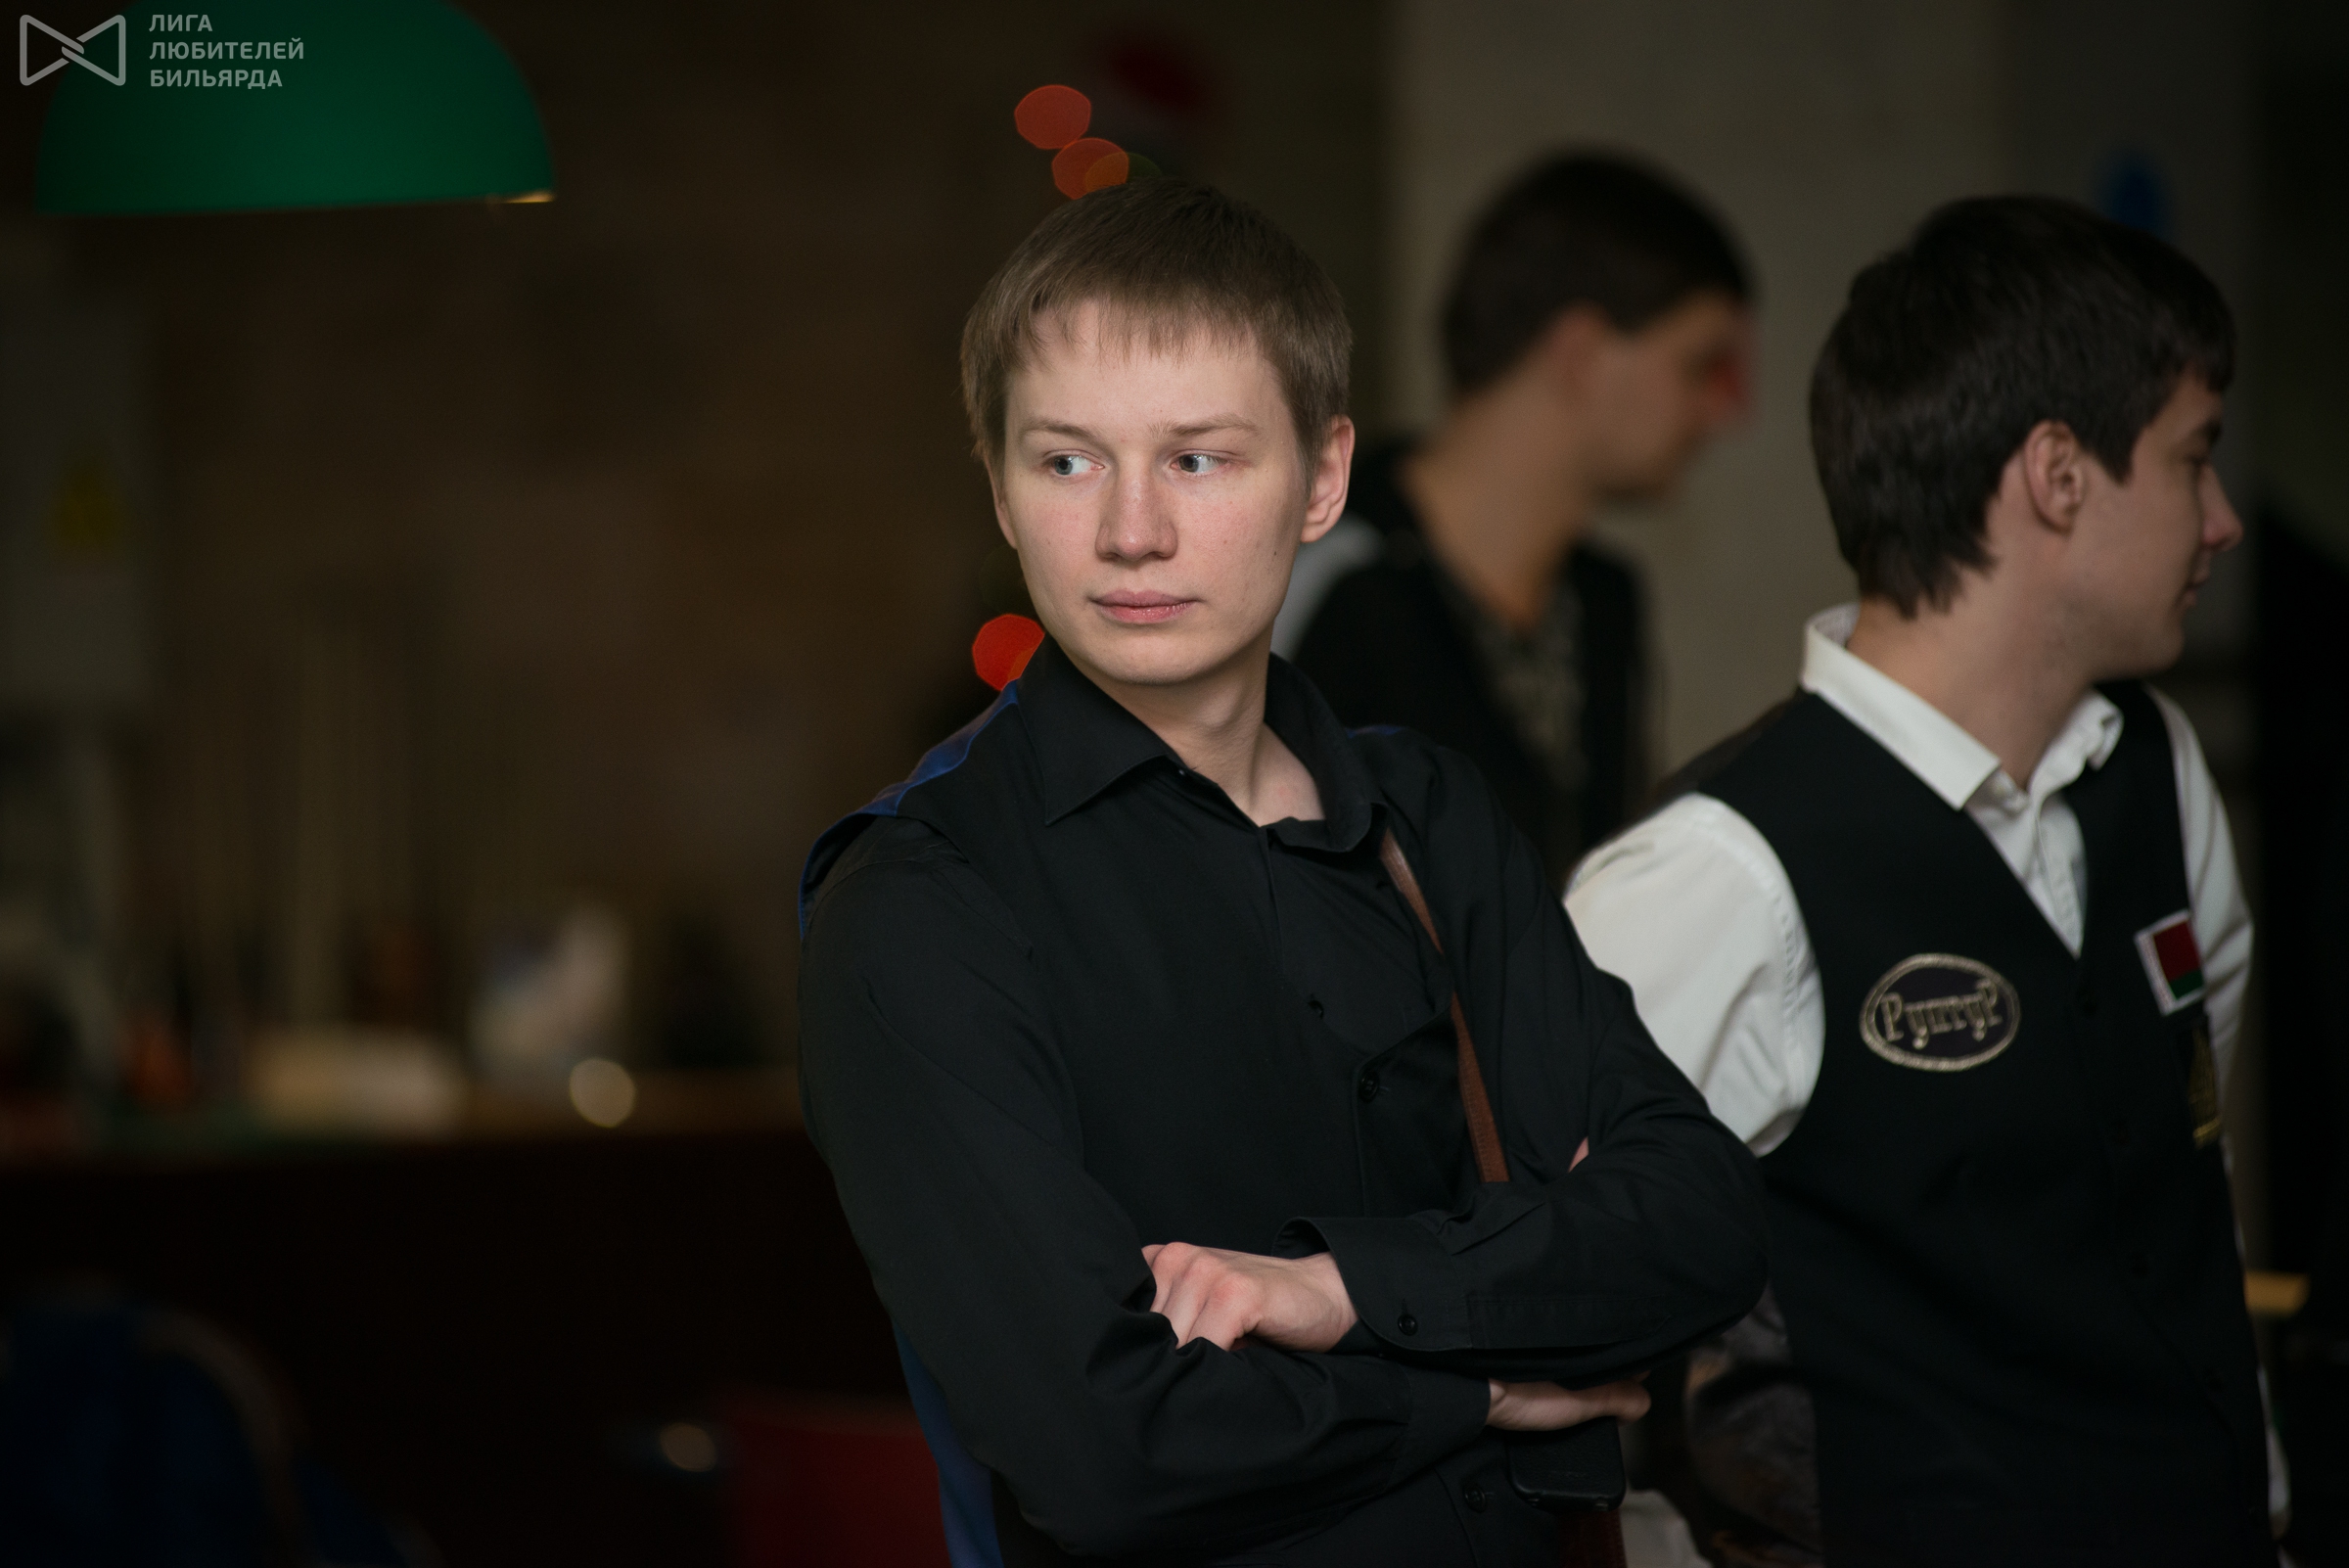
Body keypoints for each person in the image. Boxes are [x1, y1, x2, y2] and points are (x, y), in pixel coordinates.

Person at [797, 177, 1767, 1566]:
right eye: (1067, 462)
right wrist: (1486, 1385)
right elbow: (1110, 1452)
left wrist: (1339, 1288)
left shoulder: (1430, 813)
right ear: (1000, 488)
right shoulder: (917, 901)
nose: (1131, 531)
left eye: (1199, 459)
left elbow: (1699, 1223)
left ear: (1321, 480)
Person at [1566, 196, 2274, 1567]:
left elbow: (2190, 1191)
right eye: (2194, 458)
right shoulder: (1721, 869)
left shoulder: (2158, 771)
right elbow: (1527, 1301)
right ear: (2058, 474)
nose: (2225, 519)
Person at [1276, 154, 1752, 887]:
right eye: (1700, 364)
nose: (1727, 410)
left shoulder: (1604, 599)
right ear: (1581, 351)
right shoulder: (1331, 575)